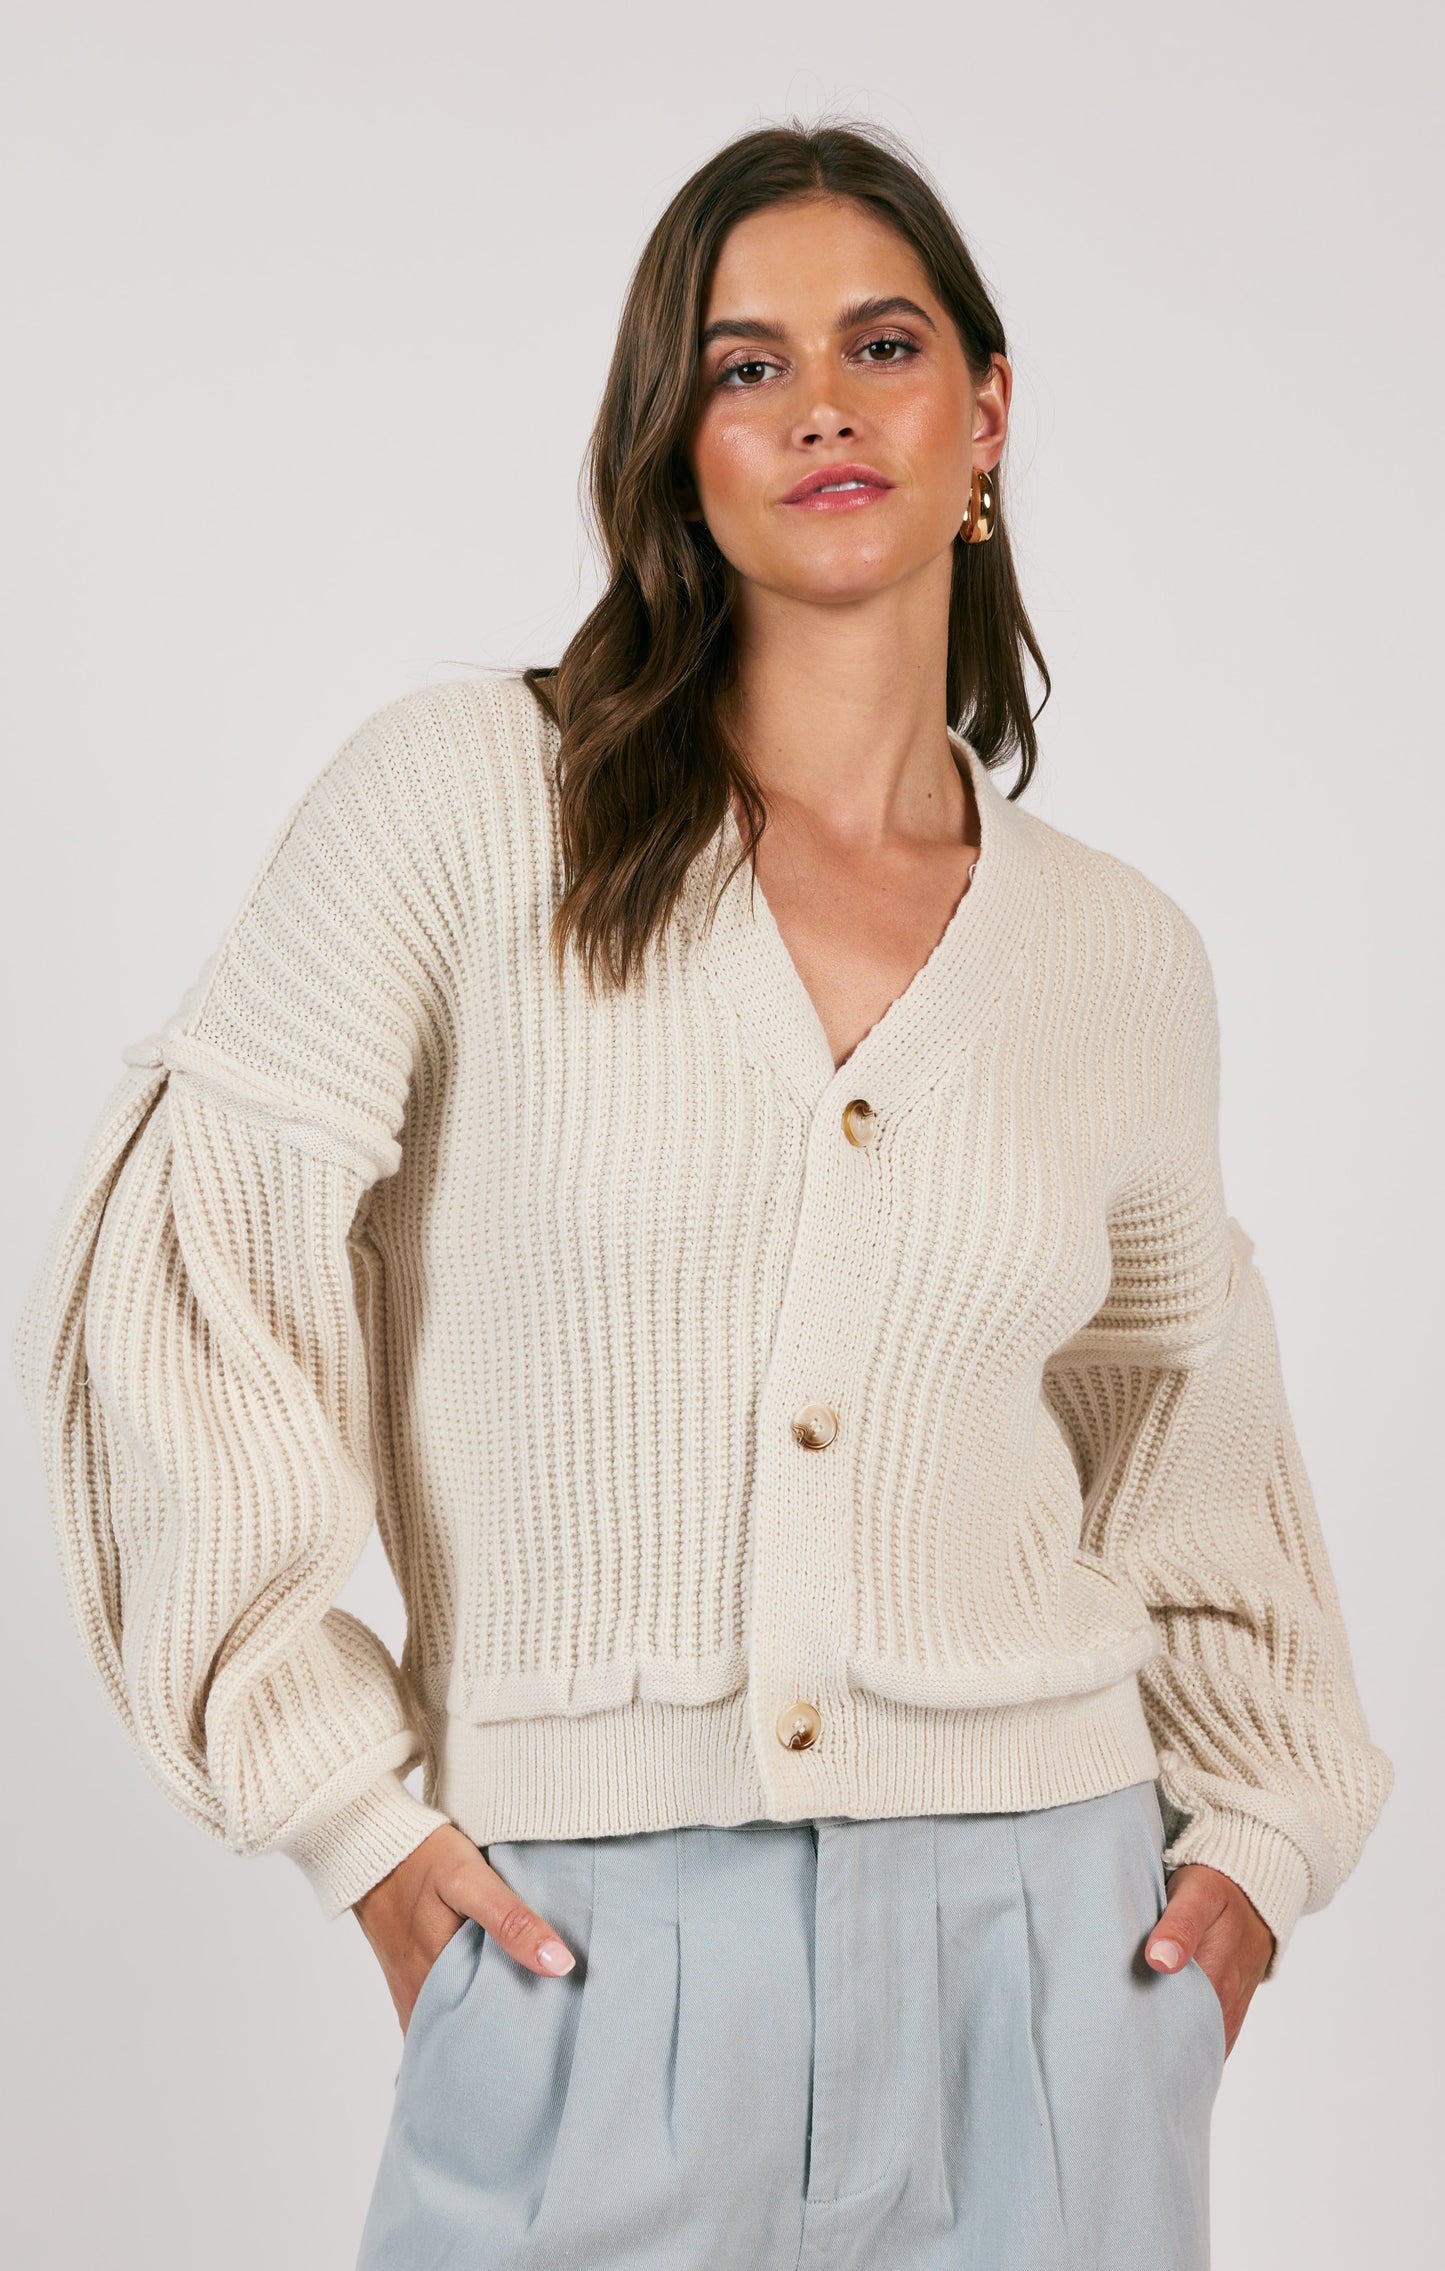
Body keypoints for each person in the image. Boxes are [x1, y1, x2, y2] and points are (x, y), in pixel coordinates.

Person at [14, 118, 1393, 2271]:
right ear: (677, 445)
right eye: (749, 365)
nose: (822, 404)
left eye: (882, 345)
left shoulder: (1118, 955)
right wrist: (347, 1812)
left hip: (1053, 1955)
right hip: (585, 1949)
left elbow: (1182, 1430)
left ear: (985, 411)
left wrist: (1257, 1852)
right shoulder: (467, 810)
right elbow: (198, 1281)